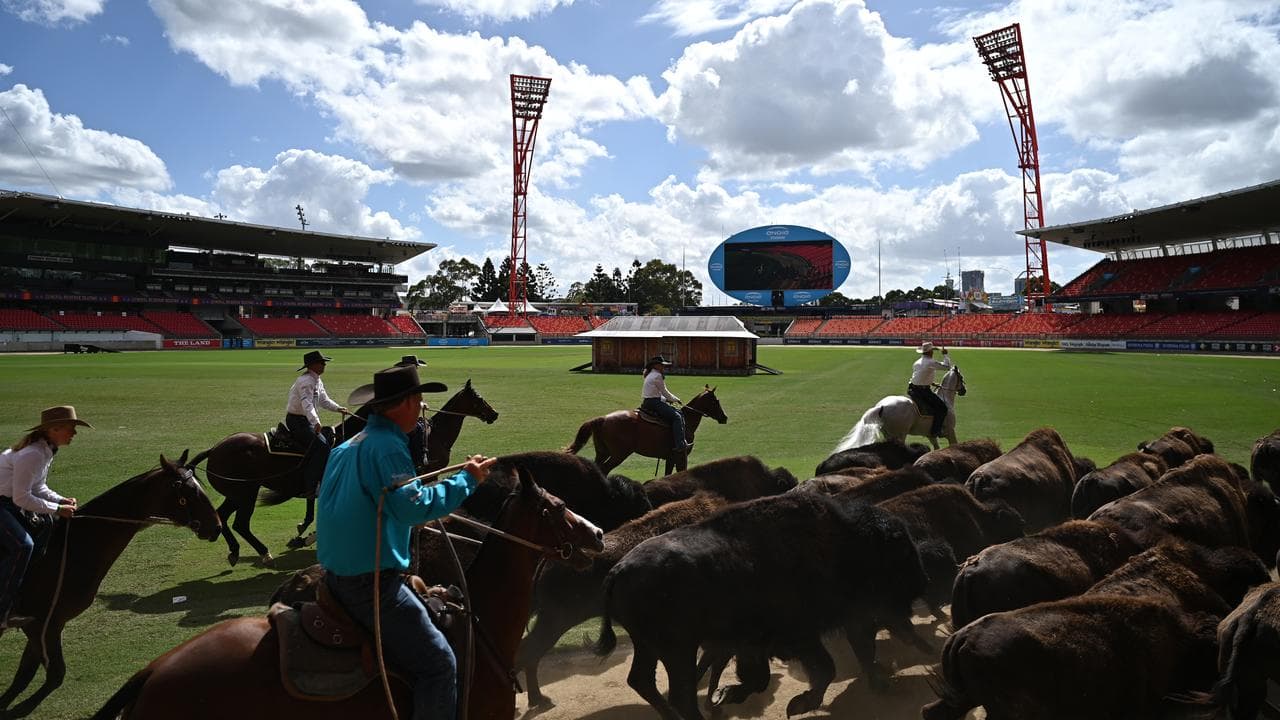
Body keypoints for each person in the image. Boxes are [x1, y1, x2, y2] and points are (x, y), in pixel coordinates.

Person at [318, 364, 494, 720]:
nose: (423, 406)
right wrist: (467, 480)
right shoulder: (388, 447)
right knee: (440, 663)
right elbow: (413, 510)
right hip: (371, 585)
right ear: (406, 403)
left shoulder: (348, 446)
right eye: (420, 399)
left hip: (335, 577)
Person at [0, 406, 89, 631]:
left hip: (9, 502)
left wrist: (61, 501)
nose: (74, 434)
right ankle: (3, 610)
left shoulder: (45, 450)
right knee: (23, 546)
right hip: (4, 504)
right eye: (71, 428)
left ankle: (24, 590)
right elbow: (22, 497)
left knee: (46, 527)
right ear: (54, 429)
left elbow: (38, 487)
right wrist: (56, 509)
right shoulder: (32, 454)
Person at [285, 350, 350, 497]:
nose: (324, 364)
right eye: (322, 362)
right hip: (298, 421)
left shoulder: (316, 380)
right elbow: (306, 403)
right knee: (322, 447)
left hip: (305, 420)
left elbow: (324, 400)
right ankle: (311, 488)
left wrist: (338, 408)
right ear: (312, 365)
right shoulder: (306, 381)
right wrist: (315, 422)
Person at [641, 355, 689, 455]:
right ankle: (680, 444)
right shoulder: (657, 376)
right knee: (677, 417)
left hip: (648, 401)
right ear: (656, 366)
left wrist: (666, 400)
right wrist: (676, 399)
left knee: (676, 412)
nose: (664, 367)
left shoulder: (649, 374)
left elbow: (654, 394)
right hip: (654, 403)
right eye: (662, 365)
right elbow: (665, 392)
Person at [907, 341, 952, 438]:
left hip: (912, 389)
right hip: (923, 392)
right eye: (932, 351)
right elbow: (948, 367)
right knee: (942, 408)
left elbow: (919, 375)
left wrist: (931, 383)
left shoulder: (917, 362)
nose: (933, 353)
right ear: (930, 352)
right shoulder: (930, 362)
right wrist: (945, 355)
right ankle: (936, 431)